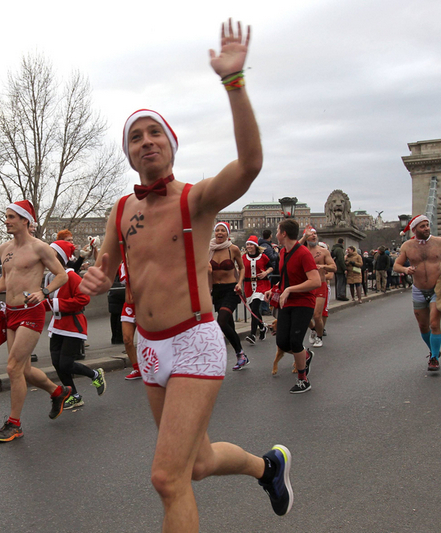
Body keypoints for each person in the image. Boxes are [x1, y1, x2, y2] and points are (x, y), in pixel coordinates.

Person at [80, 20, 294, 529]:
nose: (146, 141)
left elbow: (250, 162)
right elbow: (104, 266)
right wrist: (91, 277)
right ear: (129, 153)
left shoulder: (195, 201)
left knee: (166, 477)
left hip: (195, 340)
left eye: (155, 133)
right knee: (194, 465)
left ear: (171, 145)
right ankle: (268, 467)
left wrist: (234, 82)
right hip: (151, 348)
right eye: (136, 136)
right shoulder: (118, 211)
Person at [0, 200, 71, 442]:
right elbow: (6, 278)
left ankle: (14, 424)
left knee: (13, 368)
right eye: (6, 216)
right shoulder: (4, 248)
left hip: (31, 311)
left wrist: (43, 292)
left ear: (25, 220)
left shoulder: (40, 248)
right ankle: (58, 392)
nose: (6, 220)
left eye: (11, 216)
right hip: (10, 312)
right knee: (22, 369)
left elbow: (62, 276)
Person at [42, 240, 106, 409]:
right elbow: (47, 302)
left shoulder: (72, 276)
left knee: (66, 364)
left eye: (51, 254)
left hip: (73, 325)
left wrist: (56, 304)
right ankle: (74, 395)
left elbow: (83, 299)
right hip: (57, 324)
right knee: (57, 362)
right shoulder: (50, 277)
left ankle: (95, 374)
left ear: (60, 257)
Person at [393, 215, 441, 371]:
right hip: (419, 290)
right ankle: (434, 349)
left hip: (437, 288)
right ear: (414, 229)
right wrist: (406, 269)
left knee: (434, 323)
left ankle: (434, 358)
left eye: (427, 225)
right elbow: (396, 265)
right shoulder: (407, 246)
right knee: (423, 327)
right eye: (422, 226)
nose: (427, 228)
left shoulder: (439, 242)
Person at [267, 220, 320, 393]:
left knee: (295, 341)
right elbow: (284, 278)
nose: (275, 234)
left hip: (303, 302)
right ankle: (306, 355)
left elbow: (315, 281)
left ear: (283, 234)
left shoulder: (303, 253)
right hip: (286, 302)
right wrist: (273, 290)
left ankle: (303, 380)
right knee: (282, 341)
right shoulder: (283, 252)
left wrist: (290, 289)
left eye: (277, 231)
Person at [208, 222, 247, 369]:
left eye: (222, 230)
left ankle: (240, 354)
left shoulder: (233, 249)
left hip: (231, 289)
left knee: (222, 321)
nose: (219, 233)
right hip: (216, 291)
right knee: (229, 325)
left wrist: (240, 282)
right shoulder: (209, 250)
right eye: (217, 230)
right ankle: (241, 355)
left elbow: (242, 268)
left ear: (227, 234)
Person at [298, 227, 335, 348]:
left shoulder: (323, 251)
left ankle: (319, 337)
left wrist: (323, 266)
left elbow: (334, 267)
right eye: (310, 234)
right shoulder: (302, 250)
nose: (314, 236)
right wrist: (303, 237)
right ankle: (313, 329)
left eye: (315, 234)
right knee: (303, 314)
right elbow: (291, 250)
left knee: (317, 314)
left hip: (320, 285)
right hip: (306, 285)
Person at [241, 235, 271, 345]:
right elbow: (241, 269)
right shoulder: (244, 257)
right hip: (249, 285)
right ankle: (262, 327)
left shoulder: (263, 257)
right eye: (247, 244)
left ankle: (253, 334)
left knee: (254, 308)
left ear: (255, 246)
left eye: (251, 245)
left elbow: (271, 266)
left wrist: (266, 273)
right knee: (255, 311)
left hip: (261, 284)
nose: (248, 246)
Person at [119, 263, 142, 380]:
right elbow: (123, 280)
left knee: (148, 340)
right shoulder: (123, 266)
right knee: (127, 340)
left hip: (143, 305)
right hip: (128, 307)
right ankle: (137, 368)